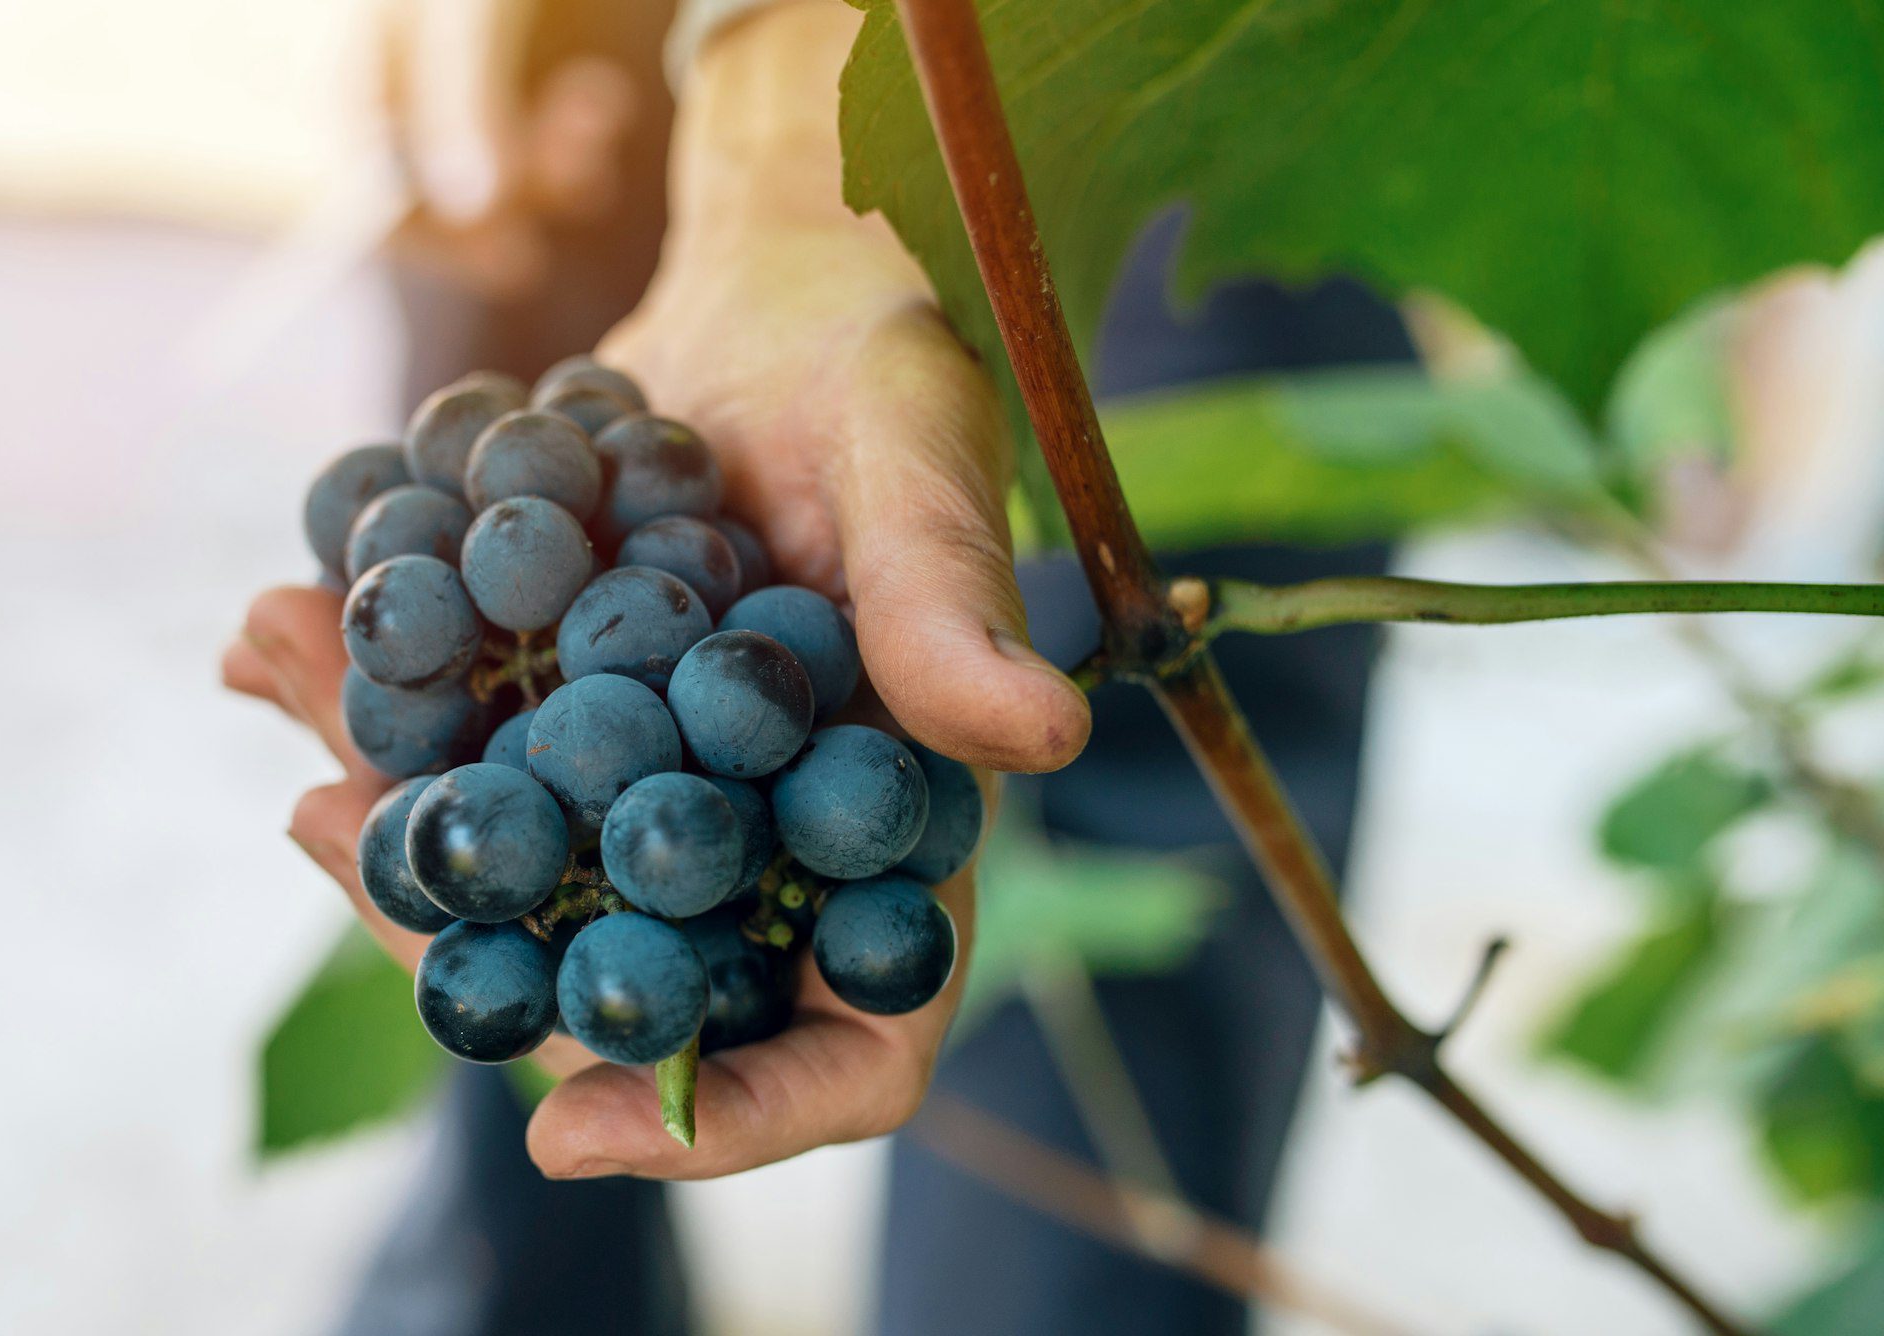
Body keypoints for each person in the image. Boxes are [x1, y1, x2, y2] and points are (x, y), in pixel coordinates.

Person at [223, 1, 1401, 1330]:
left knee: (1123, 774)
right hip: (588, 59)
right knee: (516, 860)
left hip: (1146, 56)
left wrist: (791, 124)